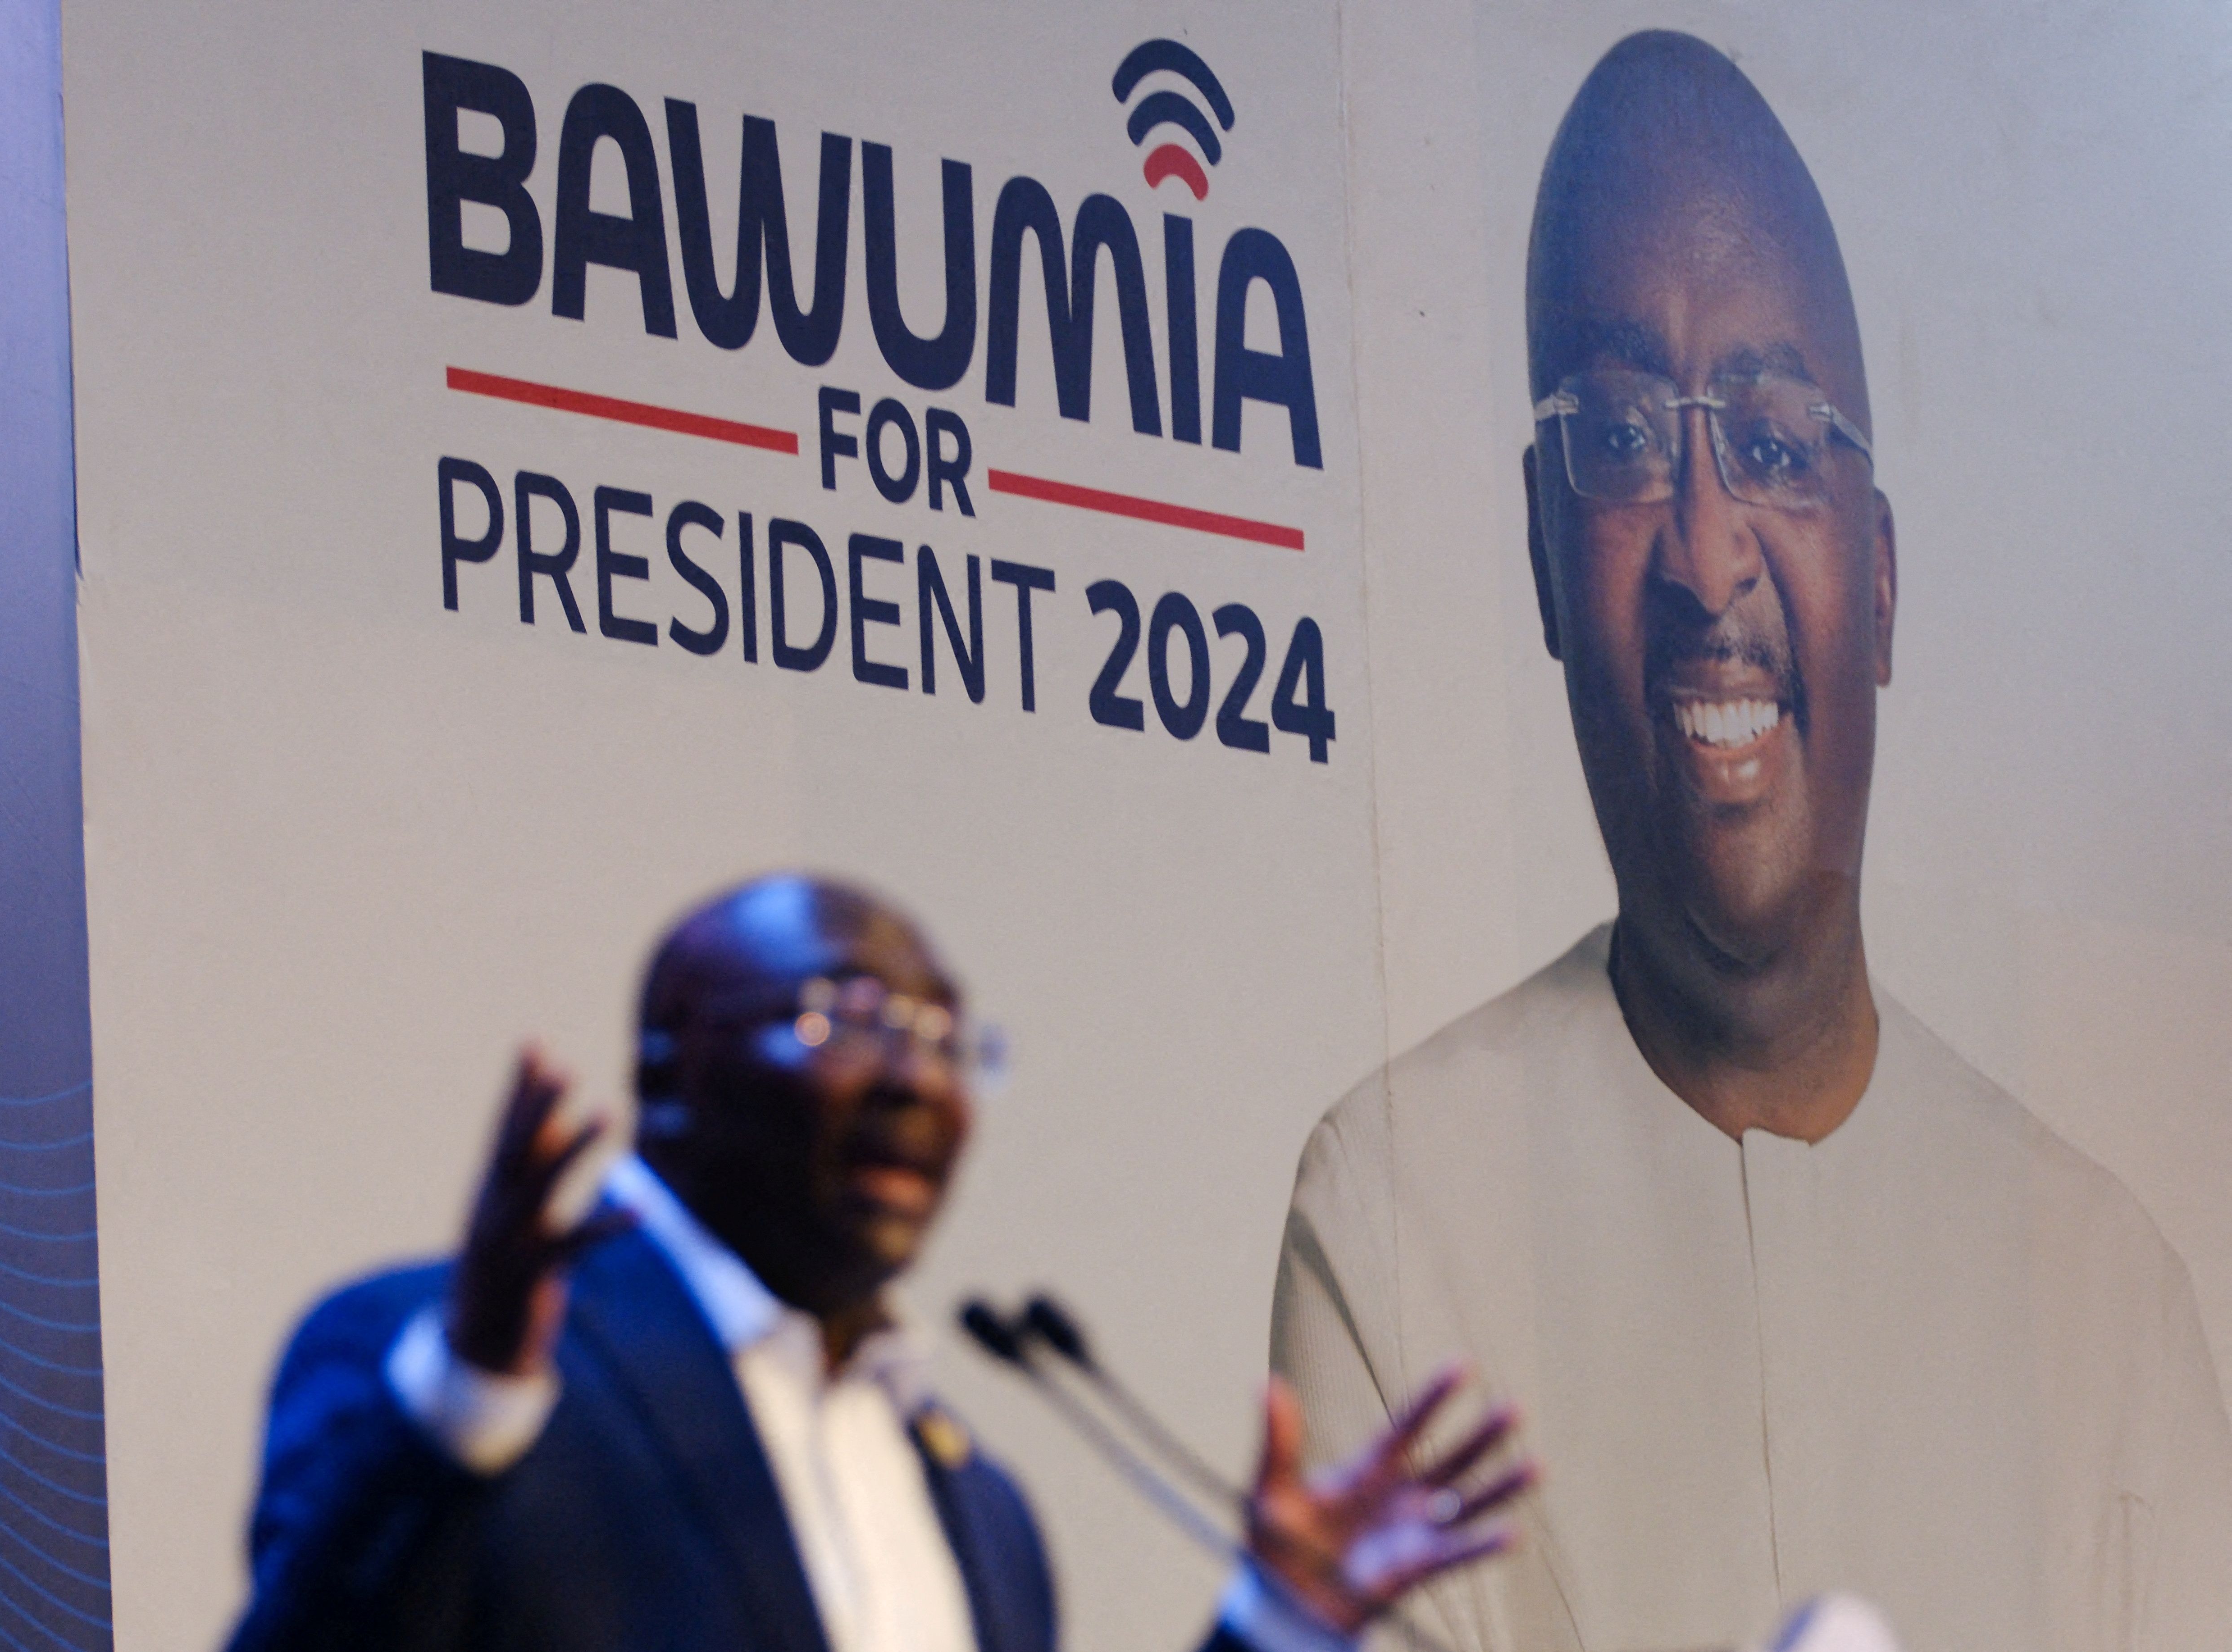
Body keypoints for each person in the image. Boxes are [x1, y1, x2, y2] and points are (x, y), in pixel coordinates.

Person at [1271, 30, 2232, 1652]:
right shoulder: (1394, 1204)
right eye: (1627, 437)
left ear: (1878, 579)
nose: (1707, 550)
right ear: (1537, 545)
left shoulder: (2103, 1288)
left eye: (1776, 444)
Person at [228, 874, 1533, 1652]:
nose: (915, 1078)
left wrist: (1279, 1623)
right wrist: (468, 1401)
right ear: (669, 1075)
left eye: (947, 1038)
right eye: (845, 1017)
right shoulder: (440, 1371)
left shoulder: (979, 1508)